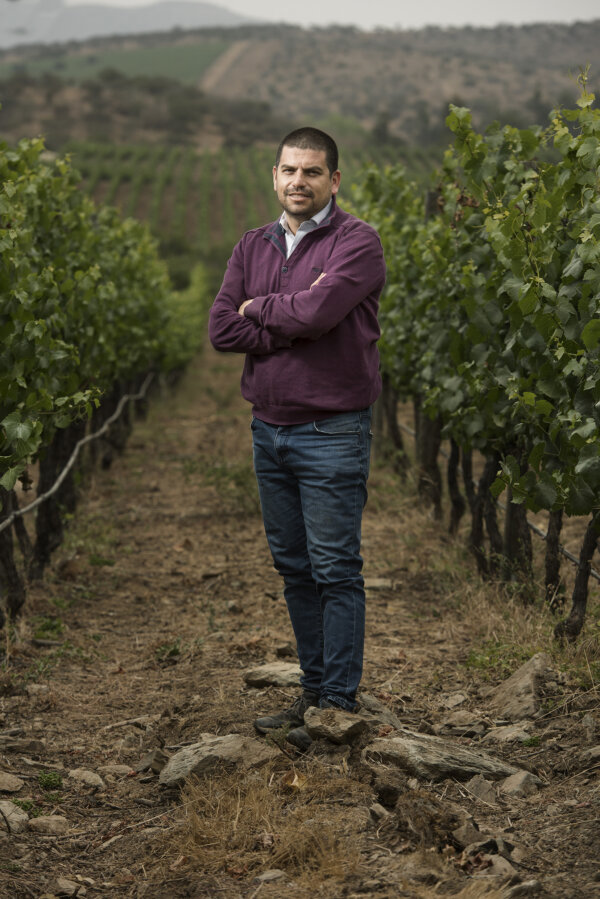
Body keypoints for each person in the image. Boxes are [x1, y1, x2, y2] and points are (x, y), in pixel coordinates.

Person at [208, 127, 385, 748]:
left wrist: (261, 309)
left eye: (312, 172)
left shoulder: (357, 241)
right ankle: (314, 694)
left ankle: (337, 703)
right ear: (274, 176)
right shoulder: (252, 244)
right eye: (289, 171)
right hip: (269, 429)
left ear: (333, 180)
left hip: (332, 430)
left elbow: (317, 313)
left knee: (335, 567)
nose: (298, 182)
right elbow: (220, 329)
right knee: (294, 567)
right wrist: (283, 317)